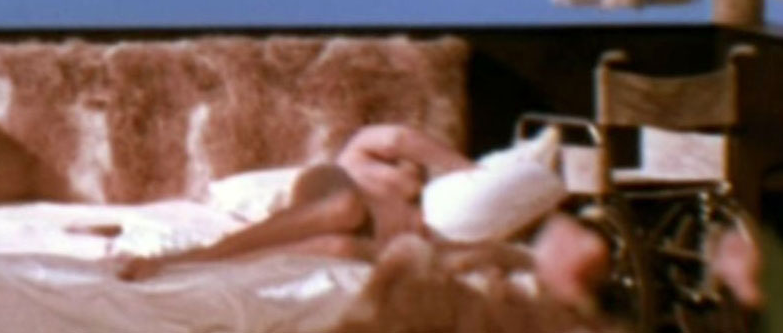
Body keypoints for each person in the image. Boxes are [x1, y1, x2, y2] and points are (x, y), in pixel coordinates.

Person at [115, 124, 613, 311]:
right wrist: (466, 167)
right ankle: (193, 257)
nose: (415, 166)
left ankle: (200, 265)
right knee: (343, 211)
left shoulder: (428, 203)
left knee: (346, 249)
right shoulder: (358, 152)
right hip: (334, 191)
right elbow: (399, 137)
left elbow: (459, 244)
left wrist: (517, 256)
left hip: (376, 234)